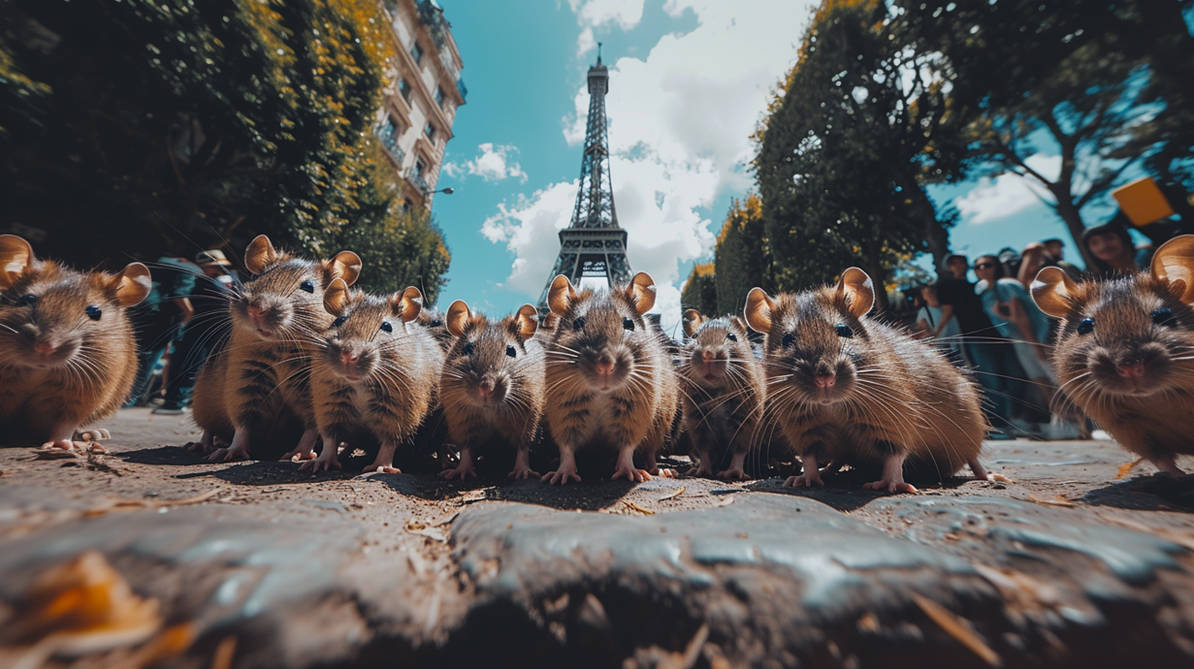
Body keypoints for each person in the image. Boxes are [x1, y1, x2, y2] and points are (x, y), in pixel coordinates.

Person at [934, 254, 1025, 436]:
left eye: (961, 260)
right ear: (949, 267)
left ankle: (1017, 418)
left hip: (999, 334)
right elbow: (947, 311)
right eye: (953, 262)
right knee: (991, 379)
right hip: (975, 337)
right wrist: (936, 334)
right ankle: (999, 424)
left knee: (1014, 375)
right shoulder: (946, 286)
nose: (958, 264)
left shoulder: (979, 286)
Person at [152, 249, 241, 414]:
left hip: (202, 326)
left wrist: (187, 315)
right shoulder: (233, 280)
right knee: (202, 364)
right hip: (223, 327)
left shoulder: (203, 281)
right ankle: (183, 401)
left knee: (188, 362)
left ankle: (175, 402)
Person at [973, 254, 1056, 429]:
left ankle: (1082, 420)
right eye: (978, 267)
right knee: (1039, 379)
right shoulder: (986, 292)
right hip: (1019, 339)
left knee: (1054, 377)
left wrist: (1034, 344)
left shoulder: (1005, 285)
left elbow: (1020, 315)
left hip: (1034, 336)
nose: (983, 269)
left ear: (996, 267)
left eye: (987, 265)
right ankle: (1061, 419)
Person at [124, 256, 200, 407]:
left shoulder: (162, 262)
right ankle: (129, 399)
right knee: (148, 359)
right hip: (160, 317)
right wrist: (189, 314)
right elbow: (180, 294)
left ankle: (119, 396)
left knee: (131, 354)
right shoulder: (193, 270)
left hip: (139, 308)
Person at [913, 284, 963, 362]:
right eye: (927, 294)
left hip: (958, 344)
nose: (930, 296)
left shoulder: (947, 307)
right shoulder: (923, 312)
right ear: (924, 297)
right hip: (942, 349)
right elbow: (923, 329)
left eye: (931, 292)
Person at [1081, 222, 1147, 276]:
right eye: (1094, 243)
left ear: (1123, 239)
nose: (1103, 246)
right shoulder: (1098, 280)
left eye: (1109, 238)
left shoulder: (1149, 257)